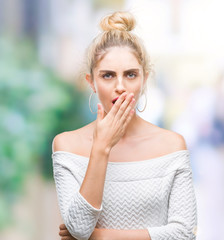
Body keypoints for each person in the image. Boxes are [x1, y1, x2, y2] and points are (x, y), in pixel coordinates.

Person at [52, 11, 197, 240]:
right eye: (108, 76)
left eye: (130, 75)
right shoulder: (67, 145)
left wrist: (99, 237)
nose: (120, 86)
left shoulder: (172, 145)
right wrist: (101, 148)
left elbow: (184, 233)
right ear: (91, 82)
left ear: (144, 79)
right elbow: (79, 228)